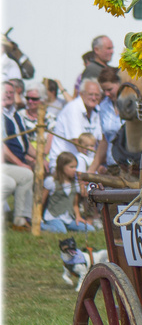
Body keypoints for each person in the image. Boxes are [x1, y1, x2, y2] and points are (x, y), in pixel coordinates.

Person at [49, 75, 104, 171]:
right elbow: (78, 143)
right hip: (65, 163)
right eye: (90, 94)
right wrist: (95, 166)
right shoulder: (73, 108)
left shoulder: (98, 110)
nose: (94, 98)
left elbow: (100, 140)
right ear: (82, 94)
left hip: (86, 159)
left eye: (97, 95)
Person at [3, 78, 34, 228]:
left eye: (11, 92)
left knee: (35, 172)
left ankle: (29, 217)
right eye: (5, 92)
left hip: (17, 162)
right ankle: (20, 219)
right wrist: (21, 163)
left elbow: (25, 144)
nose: (8, 95)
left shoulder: (16, 115)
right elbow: (3, 147)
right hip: (5, 163)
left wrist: (40, 159)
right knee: (25, 174)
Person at [40, 151, 94, 232]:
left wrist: (78, 217)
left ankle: (62, 227)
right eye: (71, 167)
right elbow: (41, 201)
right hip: (53, 216)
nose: (74, 170)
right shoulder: (51, 181)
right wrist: (39, 217)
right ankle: (41, 226)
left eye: (75, 167)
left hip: (68, 218)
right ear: (62, 167)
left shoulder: (74, 183)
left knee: (90, 229)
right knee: (61, 231)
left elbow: (75, 204)